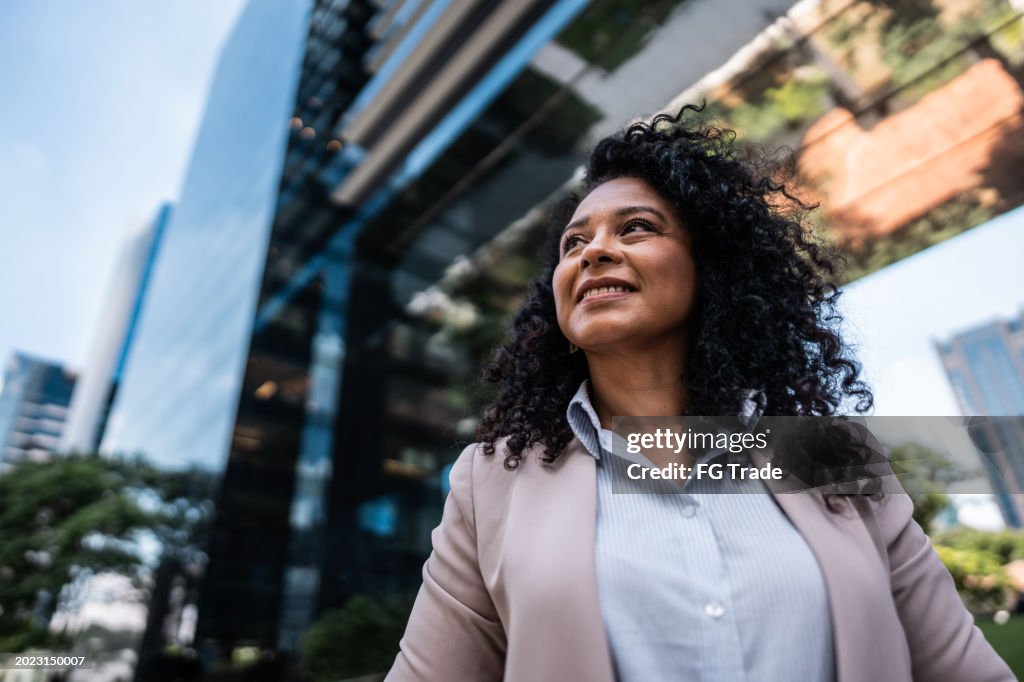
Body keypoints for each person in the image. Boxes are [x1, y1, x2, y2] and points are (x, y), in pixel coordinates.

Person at [383, 105, 1015, 681]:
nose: (594, 251)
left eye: (635, 228)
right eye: (574, 243)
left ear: (711, 270)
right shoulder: (491, 481)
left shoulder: (830, 456)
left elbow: (960, 668)